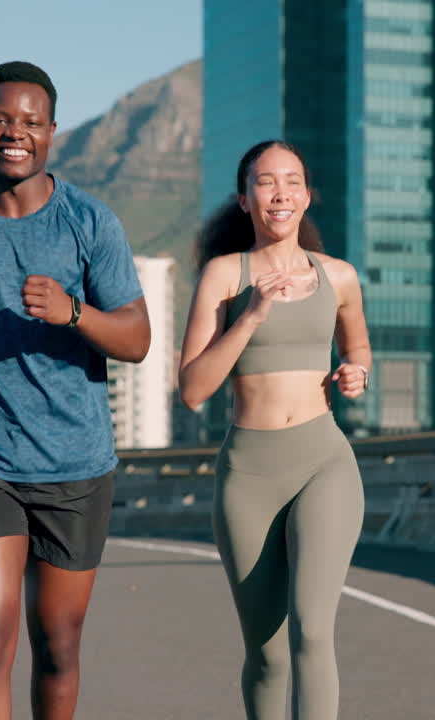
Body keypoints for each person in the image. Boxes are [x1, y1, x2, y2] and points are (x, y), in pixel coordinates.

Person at [0, 60, 150, 720]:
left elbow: (136, 338)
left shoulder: (90, 223)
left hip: (75, 460)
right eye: (1, 120)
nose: (15, 133)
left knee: (59, 647)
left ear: (53, 133)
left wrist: (74, 312)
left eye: (30, 122)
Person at [178, 140, 372, 720]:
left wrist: (356, 370)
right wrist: (253, 315)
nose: (280, 192)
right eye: (265, 182)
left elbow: (357, 342)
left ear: (307, 196)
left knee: (311, 630)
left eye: (292, 180)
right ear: (245, 199)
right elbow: (192, 389)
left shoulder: (338, 276)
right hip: (249, 474)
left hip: (324, 462)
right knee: (266, 654)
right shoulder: (224, 276)